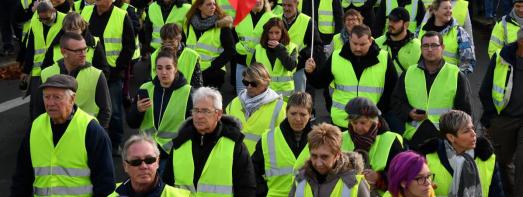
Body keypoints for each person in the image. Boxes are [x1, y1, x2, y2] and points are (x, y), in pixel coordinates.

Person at [10, 74, 115, 196]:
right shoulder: (35, 127)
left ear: (72, 99)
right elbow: (21, 177)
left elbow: (105, 184)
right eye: (46, 97)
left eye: (57, 97)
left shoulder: (91, 130)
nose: (50, 103)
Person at [163, 87, 256, 196]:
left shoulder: (234, 144)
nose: (199, 116)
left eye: (206, 111)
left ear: (219, 114)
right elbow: (167, 185)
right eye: (196, 110)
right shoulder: (180, 142)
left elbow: (246, 188)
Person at [305, 24, 397, 130]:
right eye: (355, 43)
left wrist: (378, 111)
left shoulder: (384, 58)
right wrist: (311, 72)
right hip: (342, 122)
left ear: (371, 41)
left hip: (369, 123)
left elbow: (392, 89)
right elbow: (319, 82)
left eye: (362, 44)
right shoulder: (336, 56)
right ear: (349, 40)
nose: (358, 48)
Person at [391, 31, 471, 150]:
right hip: (414, 138)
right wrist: (408, 112)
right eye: (425, 46)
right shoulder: (408, 73)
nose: (429, 49)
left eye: (434, 45)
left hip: (446, 139)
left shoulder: (455, 74)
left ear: (442, 47)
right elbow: (395, 101)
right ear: (421, 48)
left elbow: (465, 111)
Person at [81, 0, 136, 154]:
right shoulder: (86, 12)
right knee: (88, 108)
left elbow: (129, 45)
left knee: (114, 111)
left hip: (112, 73)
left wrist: (119, 68)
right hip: (89, 69)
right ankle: (89, 141)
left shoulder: (121, 15)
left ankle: (114, 143)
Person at [127, 48, 193, 172]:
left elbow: (193, 128)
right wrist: (137, 111)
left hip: (171, 155)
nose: (163, 72)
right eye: (159, 68)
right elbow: (131, 123)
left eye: (168, 68)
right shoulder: (145, 89)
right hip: (146, 154)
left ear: (175, 68)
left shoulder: (188, 92)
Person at [419, 110, 505, 197]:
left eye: (472, 128)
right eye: (466, 131)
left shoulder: (488, 158)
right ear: (451, 137)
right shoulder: (428, 160)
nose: (474, 134)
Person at [479, 28, 523, 197]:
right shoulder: (500, 58)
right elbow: (485, 90)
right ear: (520, 42)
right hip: (503, 119)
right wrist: (490, 118)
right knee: (501, 162)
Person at [37, 32, 111, 129]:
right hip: (54, 131)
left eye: (85, 49)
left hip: (86, 132)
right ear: (64, 52)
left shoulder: (97, 75)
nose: (83, 54)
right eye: (78, 51)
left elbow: (106, 111)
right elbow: (38, 109)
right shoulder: (46, 73)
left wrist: (96, 133)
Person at [252, 92, 314, 197]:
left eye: (303, 114)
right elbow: (251, 171)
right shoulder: (268, 139)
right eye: (293, 113)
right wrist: (264, 192)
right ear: (286, 112)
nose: (298, 119)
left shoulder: (320, 140)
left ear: (310, 114)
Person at [340, 97, 404, 193]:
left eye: (363, 122)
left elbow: (403, 173)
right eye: (354, 122)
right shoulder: (341, 137)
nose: (358, 127)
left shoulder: (391, 139)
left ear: (375, 121)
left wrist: (380, 178)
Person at [289, 123, 371, 196]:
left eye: (324, 157)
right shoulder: (299, 180)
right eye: (314, 156)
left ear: (337, 155)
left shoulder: (355, 184)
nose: (318, 163)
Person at [226, 63, 286, 154]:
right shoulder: (234, 103)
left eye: (254, 83)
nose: (249, 86)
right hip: (236, 160)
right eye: (245, 82)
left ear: (266, 83)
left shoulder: (280, 107)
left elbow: (284, 141)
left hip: (263, 161)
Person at [22, 0, 65, 121]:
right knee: (36, 104)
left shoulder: (65, 20)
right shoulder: (36, 20)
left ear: (53, 11)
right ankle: (36, 129)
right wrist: (26, 70)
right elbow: (30, 47)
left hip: (58, 68)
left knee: (57, 102)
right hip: (38, 70)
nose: (44, 21)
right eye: (41, 19)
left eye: (46, 18)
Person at [109, 135, 191, 196]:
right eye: (136, 161)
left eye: (149, 160)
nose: (143, 166)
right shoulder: (109, 193)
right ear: (125, 166)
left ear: (157, 162)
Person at [184, 0, 235, 88]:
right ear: (199, 7)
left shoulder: (222, 26)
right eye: (209, 4)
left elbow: (231, 50)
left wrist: (213, 67)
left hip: (213, 74)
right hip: (192, 71)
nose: (213, 7)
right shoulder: (190, 23)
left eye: (214, 4)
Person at [417, 0, 475, 74]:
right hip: (424, 80)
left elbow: (468, 61)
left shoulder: (459, 33)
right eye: (445, 8)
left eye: (450, 8)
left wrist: (456, 78)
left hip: (448, 81)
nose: (449, 11)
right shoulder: (422, 30)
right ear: (435, 11)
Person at [281, 0, 325, 93]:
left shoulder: (308, 21)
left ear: (297, 4)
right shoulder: (275, 19)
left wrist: (302, 55)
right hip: (278, 68)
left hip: (298, 68)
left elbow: (317, 46)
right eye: (284, 5)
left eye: (289, 5)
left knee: (298, 101)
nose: (286, 8)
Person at [233, 0, 275, 95]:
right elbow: (232, 38)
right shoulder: (240, 16)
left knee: (260, 96)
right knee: (241, 96)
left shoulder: (271, 18)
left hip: (261, 66)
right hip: (242, 62)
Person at [251, 18, 298, 99]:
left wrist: (280, 48)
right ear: (266, 34)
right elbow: (252, 72)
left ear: (282, 33)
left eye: (277, 33)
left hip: (285, 96)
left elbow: (291, 66)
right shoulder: (259, 48)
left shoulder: (291, 47)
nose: (274, 36)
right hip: (264, 94)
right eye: (270, 33)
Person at [149, 23, 203, 88]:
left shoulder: (192, 56)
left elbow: (197, 86)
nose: (167, 45)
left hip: (185, 95)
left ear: (179, 39)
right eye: (164, 42)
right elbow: (153, 82)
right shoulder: (154, 56)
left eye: (171, 42)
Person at [375, 7, 421, 75]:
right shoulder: (377, 43)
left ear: (406, 25)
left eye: (395, 21)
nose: (390, 24)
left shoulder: (418, 46)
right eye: (390, 20)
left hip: (405, 85)